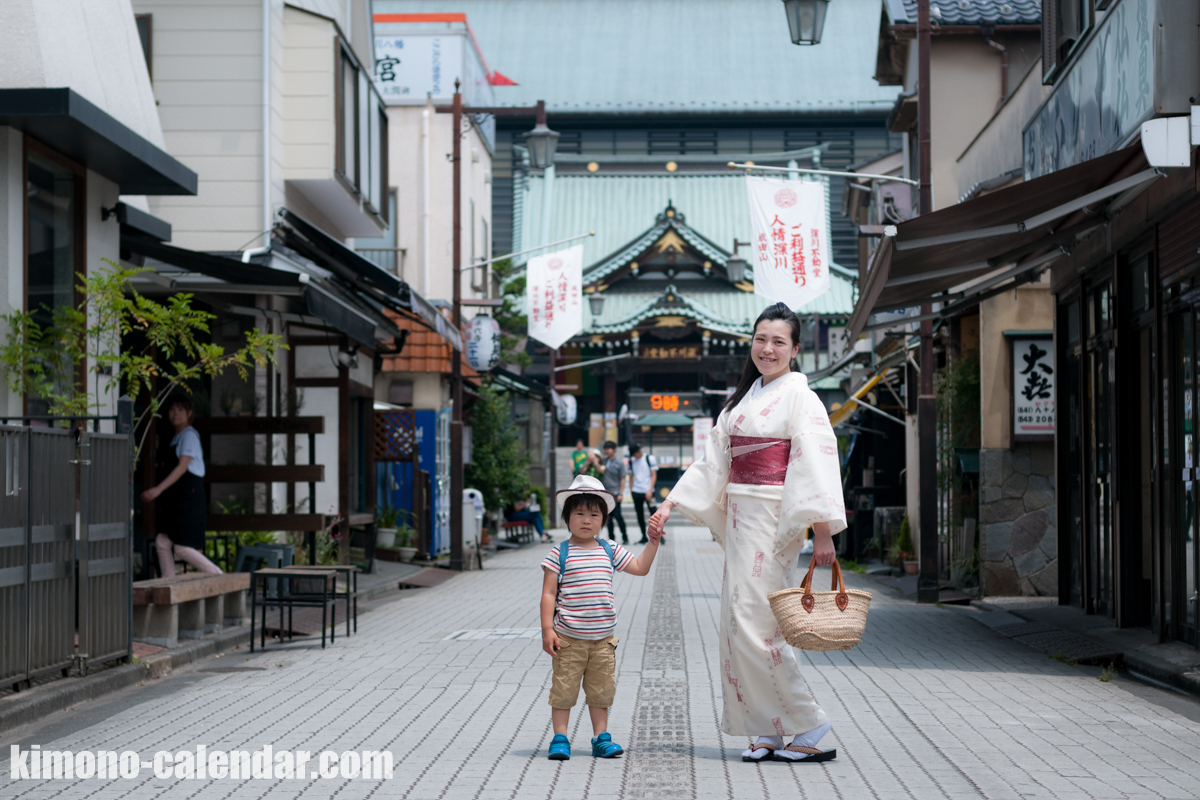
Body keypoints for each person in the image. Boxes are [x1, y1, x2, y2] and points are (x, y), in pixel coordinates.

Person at [648, 302, 846, 764]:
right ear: (751, 343)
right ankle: (769, 729)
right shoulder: (742, 401)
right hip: (741, 516)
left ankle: (809, 723)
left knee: (761, 626)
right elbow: (713, 462)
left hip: (774, 520)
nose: (768, 348)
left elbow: (815, 464)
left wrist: (822, 532)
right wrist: (671, 502)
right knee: (738, 625)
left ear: (796, 349)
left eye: (779, 341)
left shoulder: (801, 396)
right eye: (761, 339)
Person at [540, 475, 661, 760]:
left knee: (601, 691)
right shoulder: (560, 552)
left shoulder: (609, 549)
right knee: (564, 690)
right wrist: (548, 629)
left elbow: (640, 567)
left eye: (594, 514)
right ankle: (560, 738)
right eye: (579, 513)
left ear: (603, 519)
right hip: (568, 639)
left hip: (603, 641)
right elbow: (548, 594)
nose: (586, 520)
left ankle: (600, 738)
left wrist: (653, 542)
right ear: (567, 517)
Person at [141, 396, 222, 578]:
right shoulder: (176, 437)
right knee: (162, 542)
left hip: (188, 498)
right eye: (172, 409)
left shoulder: (189, 436)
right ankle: (168, 586)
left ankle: (219, 576)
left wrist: (158, 489)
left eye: (180, 409)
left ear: (189, 413)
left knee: (182, 548)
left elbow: (182, 467)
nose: (175, 413)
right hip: (176, 498)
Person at [596, 441, 629, 544]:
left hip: (615, 492)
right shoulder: (603, 461)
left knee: (618, 516)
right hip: (605, 493)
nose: (607, 450)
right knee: (608, 517)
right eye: (605, 448)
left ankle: (625, 537)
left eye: (609, 448)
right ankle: (611, 538)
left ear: (614, 449)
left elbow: (622, 479)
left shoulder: (619, 463)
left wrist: (620, 493)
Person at [628, 443, 661, 545]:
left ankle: (659, 536)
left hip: (648, 491)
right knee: (639, 515)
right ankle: (643, 536)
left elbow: (654, 475)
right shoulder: (632, 461)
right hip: (636, 491)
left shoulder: (649, 458)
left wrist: (650, 490)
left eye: (635, 454)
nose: (634, 457)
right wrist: (631, 490)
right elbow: (630, 476)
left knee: (654, 515)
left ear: (638, 451)